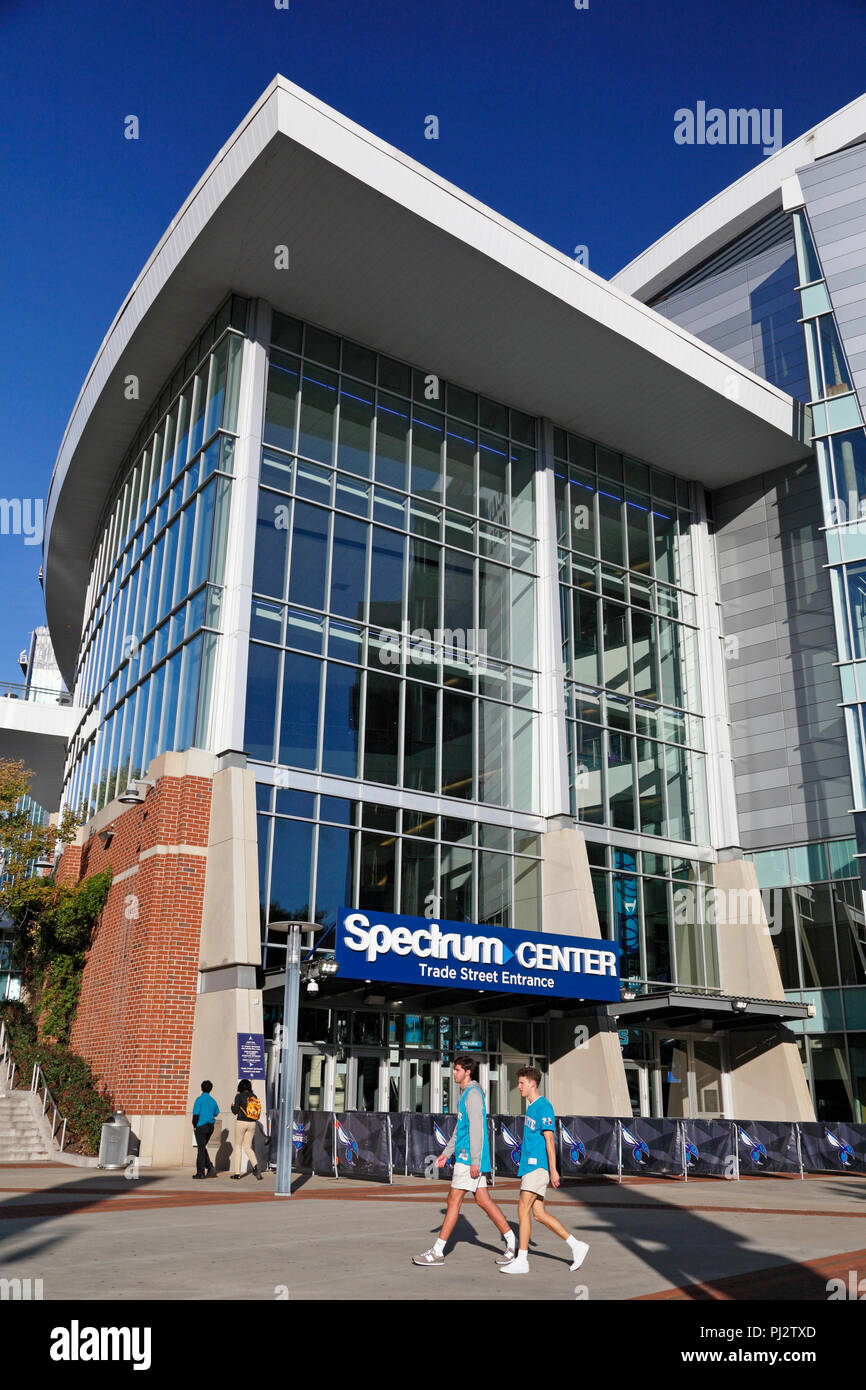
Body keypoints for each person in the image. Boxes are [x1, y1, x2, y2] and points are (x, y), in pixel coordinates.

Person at [413, 1053, 515, 1266]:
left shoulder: (473, 1095)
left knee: (453, 1201)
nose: (454, 1073)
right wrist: (446, 1153)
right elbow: (461, 1129)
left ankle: (437, 1252)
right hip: (464, 1156)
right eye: (454, 1069)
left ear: (468, 1072)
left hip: (469, 1158)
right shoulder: (466, 1095)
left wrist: (475, 1160)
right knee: (483, 1200)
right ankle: (512, 1243)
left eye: (458, 1070)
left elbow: (477, 1130)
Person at [499, 1066, 589, 1276]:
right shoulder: (531, 1107)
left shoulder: (544, 1107)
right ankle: (577, 1245)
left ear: (532, 1083)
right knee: (538, 1214)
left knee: (522, 1208)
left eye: (521, 1083)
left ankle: (522, 1260)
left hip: (537, 1166)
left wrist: (553, 1170)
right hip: (530, 1166)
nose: (518, 1087)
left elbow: (550, 1140)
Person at [230, 1078, 263, 1181]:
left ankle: (237, 1174)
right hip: (252, 1123)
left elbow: (235, 1111)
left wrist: (232, 1107)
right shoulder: (254, 1096)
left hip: (241, 1122)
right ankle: (256, 1166)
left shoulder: (239, 1096)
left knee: (238, 1146)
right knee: (248, 1147)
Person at [192, 1080, 219, 1179]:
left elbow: (195, 1115)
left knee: (201, 1149)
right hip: (210, 1127)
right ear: (210, 1089)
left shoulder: (199, 1099)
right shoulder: (213, 1101)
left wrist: (194, 1125)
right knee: (202, 1147)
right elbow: (216, 1113)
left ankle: (201, 1173)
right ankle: (210, 1167)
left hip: (201, 1126)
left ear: (201, 1088)